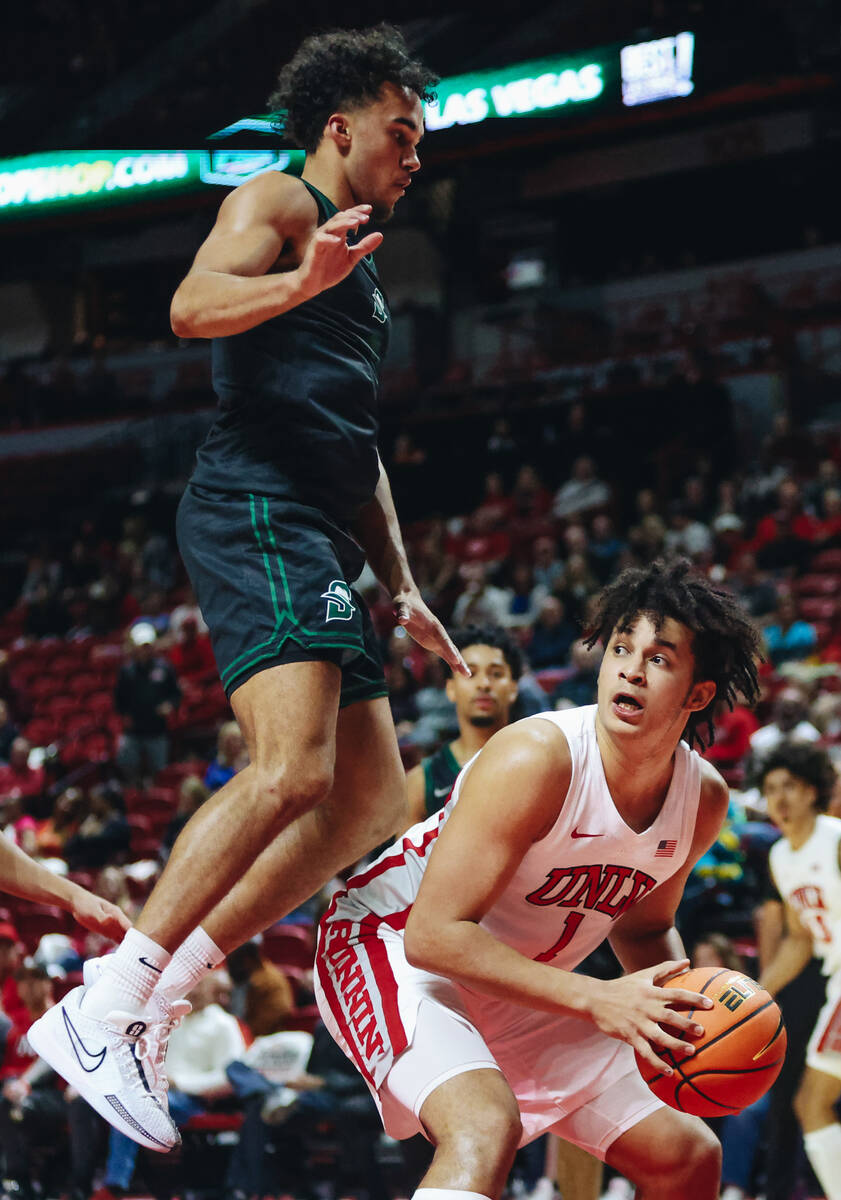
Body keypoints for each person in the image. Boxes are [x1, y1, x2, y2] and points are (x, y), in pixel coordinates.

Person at [29, 24, 463, 1156]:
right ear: (341, 127)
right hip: (249, 502)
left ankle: (163, 995)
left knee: (373, 801)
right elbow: (188, 307)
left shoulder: (361, 278)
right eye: (400, 132)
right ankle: (107, 1000)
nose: (415, 154)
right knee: (292, 768)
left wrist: (405, 583)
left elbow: (354, 447)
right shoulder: (276, 202)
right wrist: (296, 280)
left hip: (315, 525)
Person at [316, 559, 762, 1200]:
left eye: (659, 659)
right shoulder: (538, 757)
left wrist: (684, 1019)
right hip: (390, 944)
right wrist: (598, 999)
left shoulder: (702, 799)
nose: (630, 670)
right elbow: (433, 937)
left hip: (516, 980)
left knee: (687, 1156)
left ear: (698, 694)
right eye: (619, 649)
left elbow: (645, 923)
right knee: (482, 1127)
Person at [757, 742, 841, 1200]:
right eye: (770, 790)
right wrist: (756, 993)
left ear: (812, 791)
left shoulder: (835, 837)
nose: (780, 799)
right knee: (812, 1103)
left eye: (790, 786)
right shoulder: (780, 857)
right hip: (834, 981)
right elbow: (799, 939)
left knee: (812, 1102)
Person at [405, 626, 521, 826]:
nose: (484, 684)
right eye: (470, 673)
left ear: (513, 689)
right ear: (450, 688)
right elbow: (405, 857)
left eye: (496, 673)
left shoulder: (543, 764)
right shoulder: (422, 781)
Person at [114, 623, 181, 785]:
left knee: (160, 770)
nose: (145, 650)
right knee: (126, 763)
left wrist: (169, 705)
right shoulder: (126, 671)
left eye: (148, 646)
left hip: (157, 729)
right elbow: (118, 700)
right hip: (133, 731)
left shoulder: (165, 668)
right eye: (142, 646)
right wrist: (124, 715)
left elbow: (176, 694)